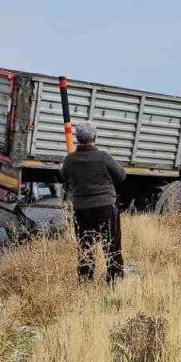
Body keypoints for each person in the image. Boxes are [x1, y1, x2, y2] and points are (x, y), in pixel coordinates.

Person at [61, 121, 126, 282]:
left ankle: (85, 281)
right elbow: (121, 177)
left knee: (85, 247)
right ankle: (114, 281)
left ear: (77, 138)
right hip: (105, 208)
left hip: (82, 210)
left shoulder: (70, 159)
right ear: (95, 137)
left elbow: (64, 177)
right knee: (112, 246)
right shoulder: (103, 157)